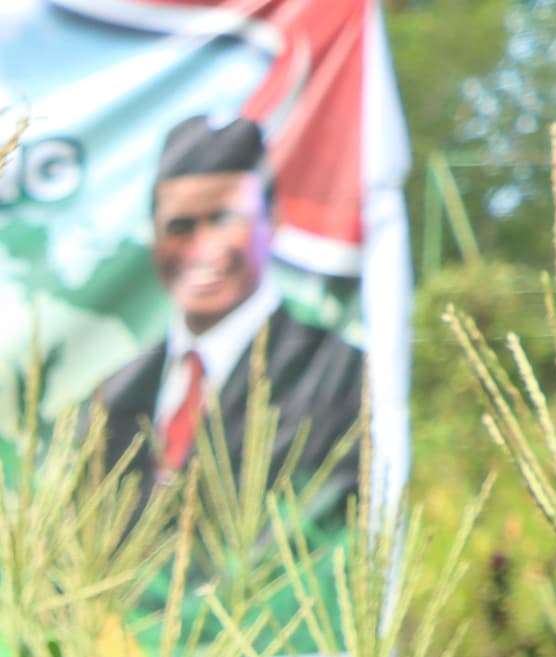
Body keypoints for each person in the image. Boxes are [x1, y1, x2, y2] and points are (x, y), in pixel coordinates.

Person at [88, 114, 365, 500]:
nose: (202, 249)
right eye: (180, 226)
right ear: (154, 236)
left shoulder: (342, 376)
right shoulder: (110, 395)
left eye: (223, 220)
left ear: (273, 219)